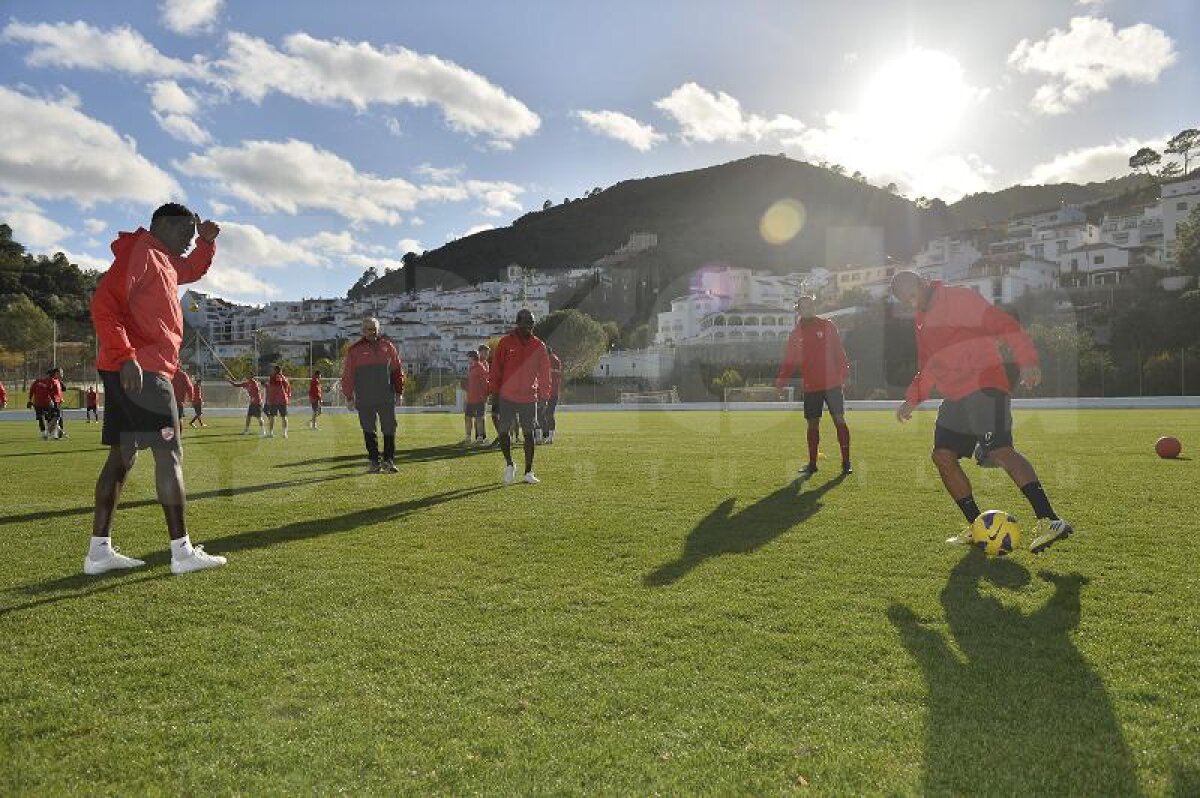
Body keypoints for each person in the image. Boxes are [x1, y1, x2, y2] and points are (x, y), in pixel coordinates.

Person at [85, 202, 227, 576]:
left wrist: (207, 243)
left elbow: (192, 268)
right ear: (164, 224)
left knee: (122, 456)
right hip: (142, 370)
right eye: (186, 233)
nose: (187, 242)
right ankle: (182, 553)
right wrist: (126, 354)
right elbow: (104, 303)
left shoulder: (162, 258)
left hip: (128, 369)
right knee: (170, 455)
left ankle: (98, 552)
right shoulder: (142, 252)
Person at [890, 270, 1074, 553]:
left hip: (985, 385)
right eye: (906, 301)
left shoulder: (959, 297)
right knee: (942, 456)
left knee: (1000, 450)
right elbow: (929, 365)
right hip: (955, 396)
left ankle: (1050, 520)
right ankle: (977, 527)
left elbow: (1003, 324)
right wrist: (912, 399)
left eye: (913, 294)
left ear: (924, 282)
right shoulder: (921, 322)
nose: (912, 302)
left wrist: (1027, 360)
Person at [775, 295, 853, 476]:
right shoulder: (795, 334)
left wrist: (845, 373)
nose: (808, 309)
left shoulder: (828, 326)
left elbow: (839, 351)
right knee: (812, 425)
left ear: (814, 307)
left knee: (839, 420)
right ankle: (812, 464)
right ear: (799, 310)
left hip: (832, 383)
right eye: (804, 307)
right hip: (811, 386)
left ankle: (846, 462)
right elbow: (789, 362)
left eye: (810, 305)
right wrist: (781, 383)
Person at [489, 309, 551, 485]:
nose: (529, 325)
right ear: (518, 322)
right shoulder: (505, 343)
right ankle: (510, 464)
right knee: (503, 432)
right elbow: (496, 369)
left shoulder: (539, 346)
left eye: (531, 322)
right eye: (526, 322)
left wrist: (544, 395)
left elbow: (545, 373)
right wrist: (494, 393)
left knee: (529, 434)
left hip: (529, 397)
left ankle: (528, 472)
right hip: (506, 396)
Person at [341, 317, 405, 473]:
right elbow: (348, 375)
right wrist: (349, 396)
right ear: (363, 331)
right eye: (368, 328)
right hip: (365, 398)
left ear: (379, 329)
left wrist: (399, 391)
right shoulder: (354, 350)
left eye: (374, 328)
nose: (372, 331)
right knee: (369, 430)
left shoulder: (388, 347)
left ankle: (389, 461)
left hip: (386, 396)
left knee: (389, 429)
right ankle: (374, 462)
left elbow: (397, 371)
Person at [28, 369, 63, 440]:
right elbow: (32, 390)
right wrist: (30, 400)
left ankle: (54, 433)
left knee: (50, 419)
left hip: (48, 403)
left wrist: (57, 400)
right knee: (42, 418)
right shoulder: (39, 381)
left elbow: (56, 391)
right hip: (42, 403)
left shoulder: (54, 381)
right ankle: (47, 433)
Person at [463, 350, 489, 445]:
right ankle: (468, 438)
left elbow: (485, 383)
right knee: (467, 417)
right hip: (471, 399)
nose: (467, 359)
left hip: (479, 399)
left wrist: (485, 395)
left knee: (479, 418)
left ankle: (480, 438)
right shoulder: (471, 368)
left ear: (472, 357)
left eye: (468, 357)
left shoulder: (480, 368)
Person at [542, 344, 563, 444]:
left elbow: (554, 374)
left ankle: (548, 437)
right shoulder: (554, 359)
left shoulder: (551, 359)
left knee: (547, 414)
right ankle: (548, 436)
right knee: (547, 414)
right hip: (551, 392)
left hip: (550, 392)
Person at [264, 364, 291, 438]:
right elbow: (288, 389)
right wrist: (287, 398)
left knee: (272, 416)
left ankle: (271, 433)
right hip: (283, 400)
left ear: (275, 370)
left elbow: (271, 388)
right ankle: (284, 433)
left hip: (275, 400)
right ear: (281, 370)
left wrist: (266, 386)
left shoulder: (272, 377)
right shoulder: (285, 378)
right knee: (284, 416)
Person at [171, 368, 194, 435]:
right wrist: (191, 398)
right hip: (179, 402)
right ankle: (178, 437)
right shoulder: (183, 375)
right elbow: (190, 387)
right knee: (179, 419)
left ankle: (169, 438)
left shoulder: (167, 373)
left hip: (169, 401)